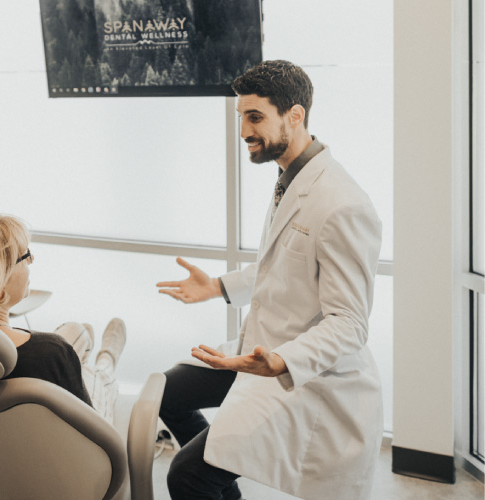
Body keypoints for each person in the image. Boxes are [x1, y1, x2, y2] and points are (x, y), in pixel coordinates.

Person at [156, 60, 383, 500]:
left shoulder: (342, 203)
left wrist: (281, 362)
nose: (243, 130)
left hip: (305, 372)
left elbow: (350, 323)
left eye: (254, 117)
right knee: (165, 393)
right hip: (258, 350)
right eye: (241, 117)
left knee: (186, 475)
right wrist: (218, 287)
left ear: (294, 116)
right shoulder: (291, 177)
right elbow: (287, 265)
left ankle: (217, 474)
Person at [0, 213, 126, 422]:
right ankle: (106, 364)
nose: (32, 260)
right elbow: (90, 428)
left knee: (75, 330)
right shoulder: (50, 352)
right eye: (25, 256)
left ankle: (84, 349)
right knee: (95, 378)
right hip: (53, 448)